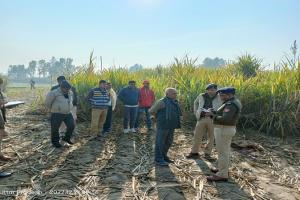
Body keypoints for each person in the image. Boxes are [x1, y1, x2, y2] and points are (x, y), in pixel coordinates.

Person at [206, 87, 242, 182]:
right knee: (223, 151)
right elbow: (223, 114)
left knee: (223, 152)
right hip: (225, 129)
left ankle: (222, 175)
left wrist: (212, 115)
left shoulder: (231, 104)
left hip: (224, 129)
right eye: (220, 94)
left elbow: (226, 119)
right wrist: (214, 112)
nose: (220, 96)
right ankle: (222, 169)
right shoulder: (230, 102)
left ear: (230, 95)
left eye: (222, 95)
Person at [186, 83, 222, 159]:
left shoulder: (220, 97)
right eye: (209, 90)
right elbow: (195, 103)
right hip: (201, 118)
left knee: (211, 136)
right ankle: (194, 152)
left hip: (213, 118)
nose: (210, 91)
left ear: (216, 90)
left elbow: (223, 106)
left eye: (212, 90)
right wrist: (196, 112)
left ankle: (207, 153)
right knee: (197, 135)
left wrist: (216, 113)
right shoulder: (201, 95)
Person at [149, 88, 182, 166]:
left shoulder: (174, 102)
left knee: (168, 142)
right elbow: (151, 111)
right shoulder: (161, 102)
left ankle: (164, 156)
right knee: (160, 142)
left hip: (171, 125)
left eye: (176, 93)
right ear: (167, 94)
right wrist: (155, 117)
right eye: (173, 93)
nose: (175, 95)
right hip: (163, 125)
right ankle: (158, 159)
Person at [45, 80, 75, 148]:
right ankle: (55, 142)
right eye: (66, 89)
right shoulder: (53, 93)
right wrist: (53, 110)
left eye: (69, 89)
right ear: (61, 87)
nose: (68, 90)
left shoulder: (70, 93)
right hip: (57, 113)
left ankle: (66, 138)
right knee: (55, 128)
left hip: (68, 113)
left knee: (72, 125)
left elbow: (70, 101)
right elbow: (47, 103)